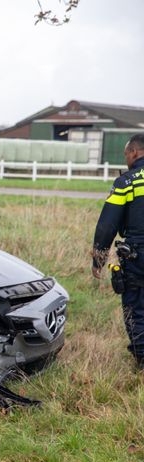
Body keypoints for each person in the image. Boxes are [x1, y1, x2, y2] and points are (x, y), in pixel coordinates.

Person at [92, 133, 144, 368]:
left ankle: (142, 360)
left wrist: (99, 259)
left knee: (136, 307)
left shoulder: (127, 182)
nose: (126, 158)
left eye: (126, 154)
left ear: (134, 152)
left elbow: (107, 225)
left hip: (137, 255)